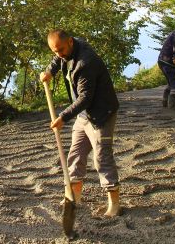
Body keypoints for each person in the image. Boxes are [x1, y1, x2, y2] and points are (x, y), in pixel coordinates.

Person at [40, 29, 120, 217]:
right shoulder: (66, 50)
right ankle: (74, 196)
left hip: (101, 114)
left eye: (60, 49)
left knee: (102, 158)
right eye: (54, 51)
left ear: (70, 42)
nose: (58, 54)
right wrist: (49, 72)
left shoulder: (86, 62)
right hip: (83, 115)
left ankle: (114, 204)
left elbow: (85, 98)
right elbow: (57, 60)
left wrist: (63, 117)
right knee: (75, 154)